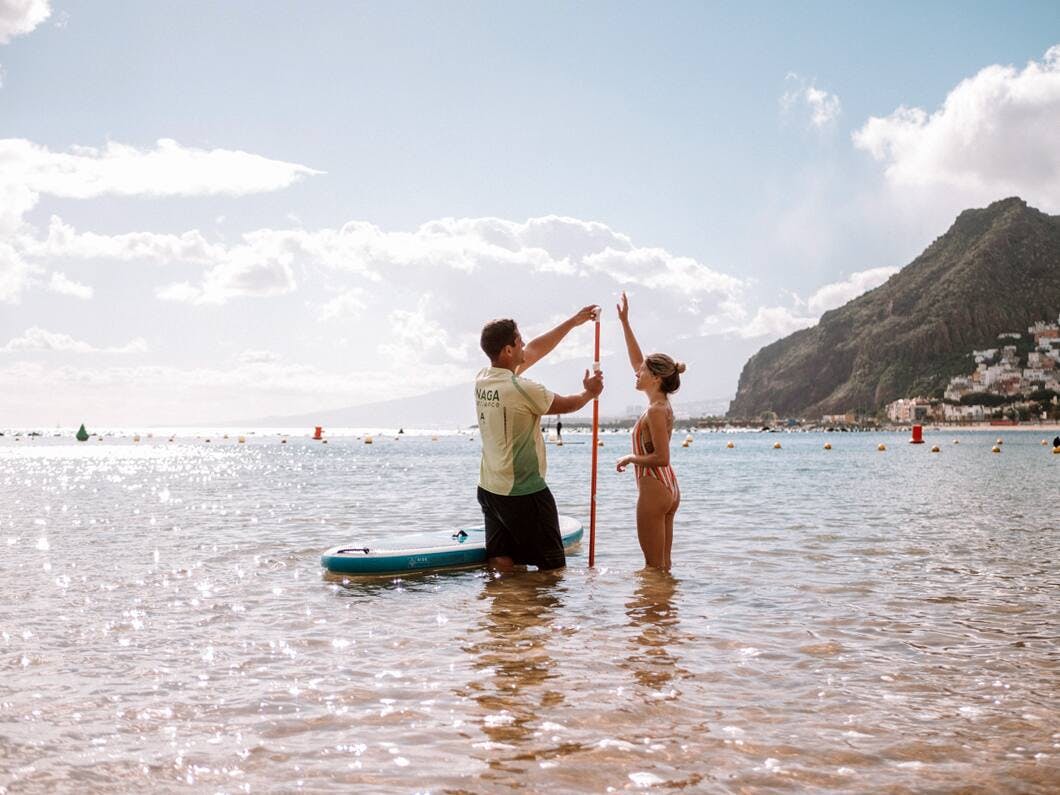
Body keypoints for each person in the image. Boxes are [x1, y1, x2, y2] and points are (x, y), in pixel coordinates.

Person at [476, 307, 604, 572]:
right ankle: (539, 612)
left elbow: (534, 349)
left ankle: (507, 608)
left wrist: (572, 322)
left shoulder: (482, 379)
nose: (524, 343)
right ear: (508, 350)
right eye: (518, 339)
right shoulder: (522, 388)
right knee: (553, 570)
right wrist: (589, 392)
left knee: (501, 560)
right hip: (525, 492)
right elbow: (568, 405)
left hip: (490, 489)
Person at [614, 292, 685, 569]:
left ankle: (653, 610)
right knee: (663, 566)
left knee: (652, 569)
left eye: (642, 371)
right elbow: (636, 359)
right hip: (668, 486)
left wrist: (630, 458)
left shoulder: (656, 410)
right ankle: (666, 610)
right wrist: (625, 322)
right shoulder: (660, 402)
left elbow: (662, 457)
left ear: (655, 378)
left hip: (655, 485)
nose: (636, 373)